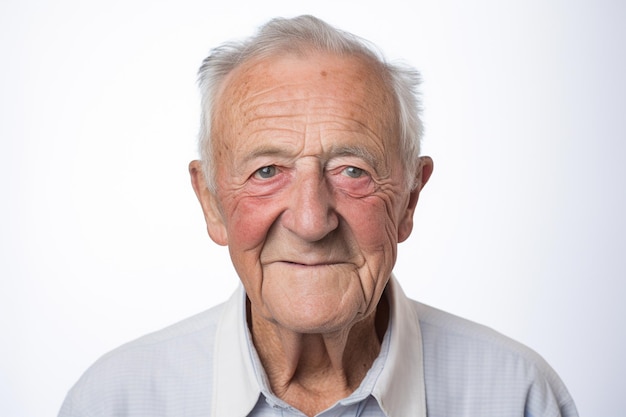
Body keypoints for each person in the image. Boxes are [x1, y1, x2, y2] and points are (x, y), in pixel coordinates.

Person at [58, 15, 578, 417]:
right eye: (266, 171)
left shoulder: (518, 396)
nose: (311, 222)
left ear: (410, 199)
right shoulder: (116, 401)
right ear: (211, 201)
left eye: (352, 171)